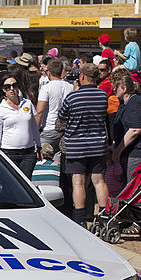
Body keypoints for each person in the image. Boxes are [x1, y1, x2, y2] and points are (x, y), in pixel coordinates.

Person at [56, 63, 109, 227]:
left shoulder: (73, 97)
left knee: (78, 181)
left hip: (76, 144)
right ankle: (104, 216)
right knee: (99, 181)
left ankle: (80, 219)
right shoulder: (102, 96)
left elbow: (62, 116)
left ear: (83, 77)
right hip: (98, 144)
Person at [0, 73, 42, 179]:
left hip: (28, 152)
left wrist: (39, 145)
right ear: (3, 90)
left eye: (14, 85)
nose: (12, 89)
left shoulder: (27, 104)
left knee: (26, 182)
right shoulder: (0, 109)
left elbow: (33, 127)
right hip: (9, 152)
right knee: (11, 183)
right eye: (7, 87)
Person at [112, 73, 141, 180]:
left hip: (139, 150)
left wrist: (118, 151)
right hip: (130, 150)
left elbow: (135, 129)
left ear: (124, 88)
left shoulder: (135, 103)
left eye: (116, 86)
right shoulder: (124, 103)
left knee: (132, 185)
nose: (113, 89)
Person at [35, 58, 72, 154]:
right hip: (65, 128)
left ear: (49, 73)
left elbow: (39, 111)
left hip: (49, 128)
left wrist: (35, 130)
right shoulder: (70, 87)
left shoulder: (46, 88)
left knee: (40, 156)